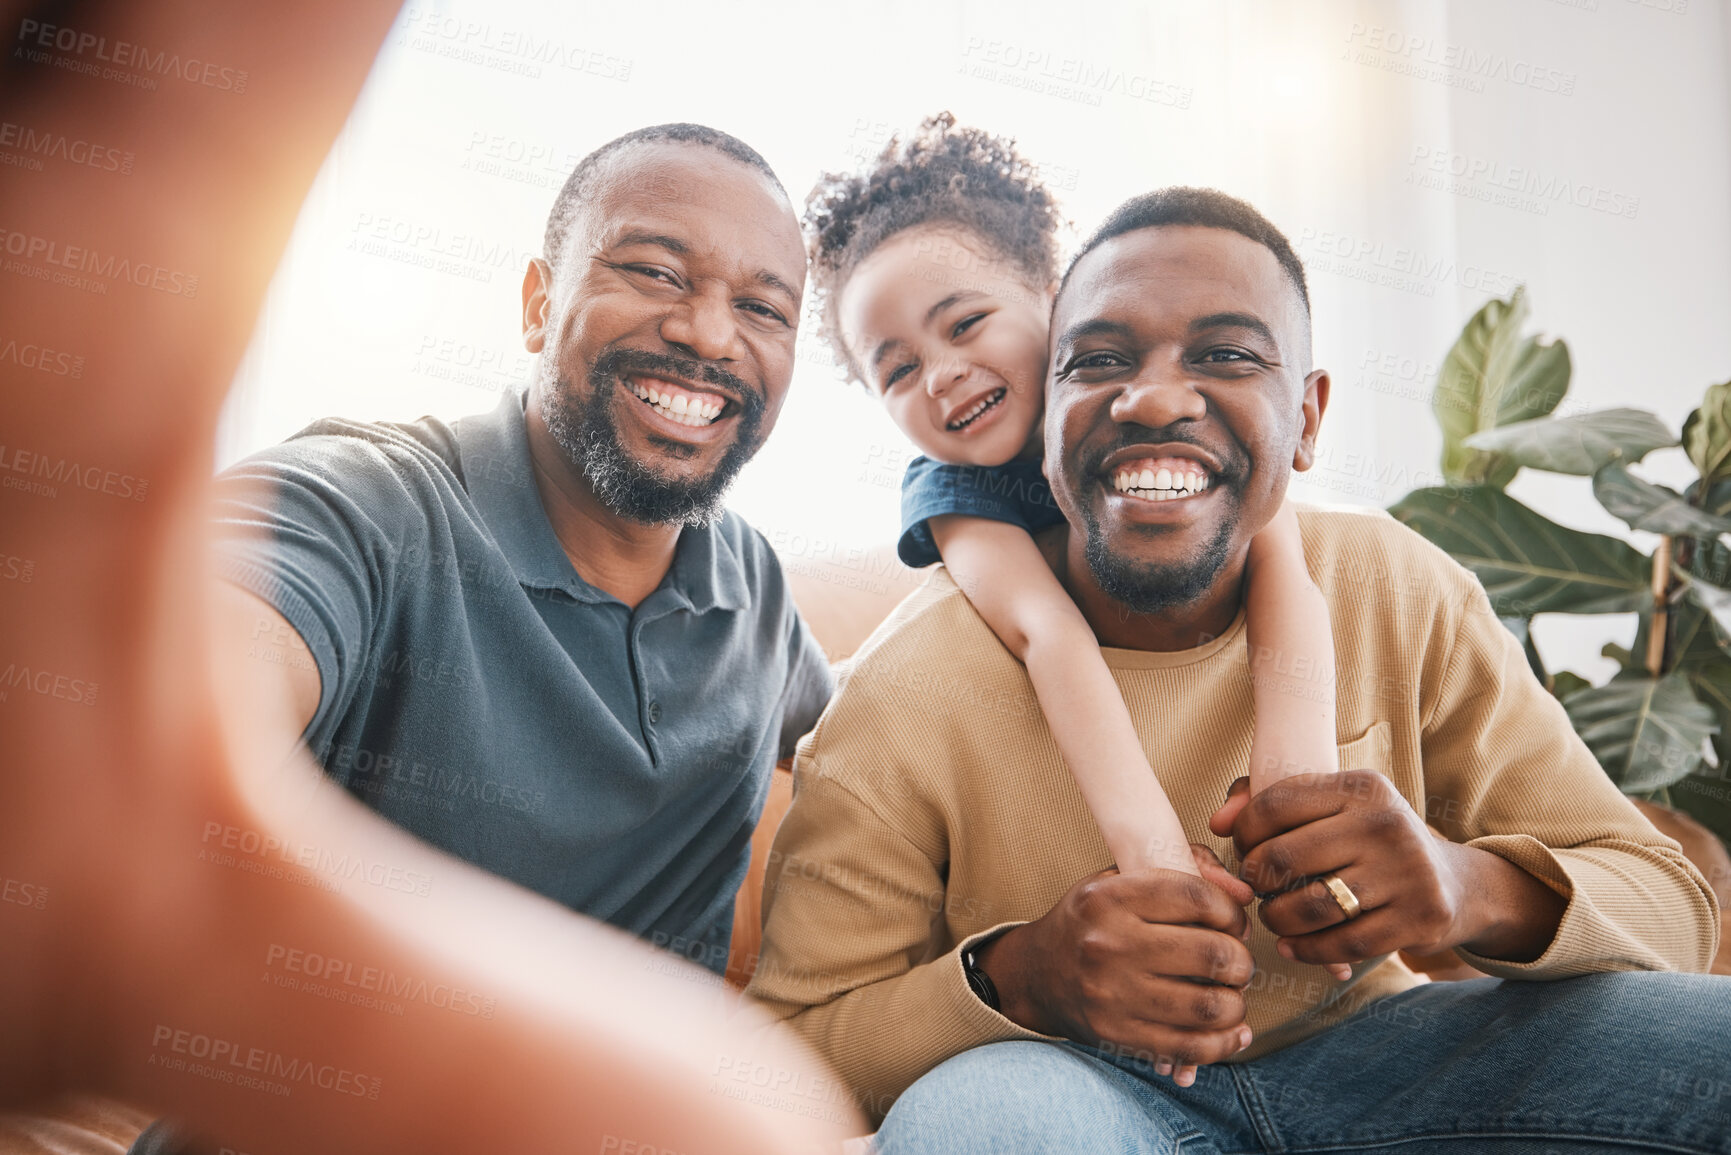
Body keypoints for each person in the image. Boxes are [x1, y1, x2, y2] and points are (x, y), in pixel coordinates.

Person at [0, 4, 856, 1152]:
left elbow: (878, 728)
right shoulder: (363, 502)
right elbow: (187, 687)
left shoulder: (747, 589)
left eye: (764, 308)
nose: (710, 334)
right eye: (655, 270)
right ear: (538, 302)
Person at [745, 186, 1729, 1151]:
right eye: (1102, 359)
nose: (1159, 396)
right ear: (1051, 412)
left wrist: (1469, 885)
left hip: (1387, 1061)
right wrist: (1022, 974)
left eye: (1223, 354)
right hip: (1073, 1087)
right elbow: (787, 1057)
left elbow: (1671, 911)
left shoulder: (1388, 583)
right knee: (986, 1123)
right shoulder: (906, 685)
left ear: (1306, 419)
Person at [804, 122, 1348, 1071]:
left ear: (1057, 306)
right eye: (895, 368)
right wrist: (1157, 867)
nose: (941, 372)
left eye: (965, 322)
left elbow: (1281, 563)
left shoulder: (1168, 424)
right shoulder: (956, 500)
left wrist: (1293, 796)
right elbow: (1049, 634)